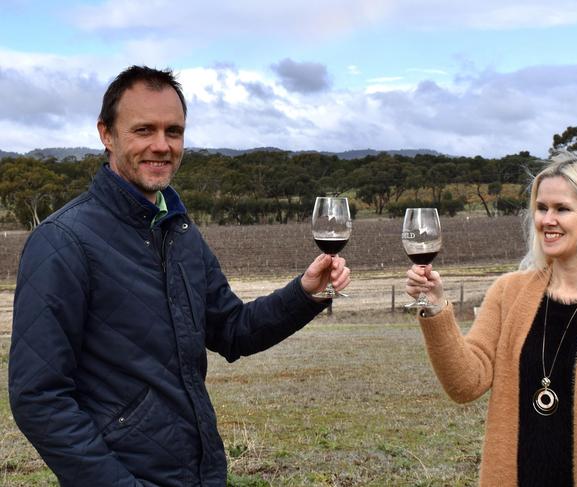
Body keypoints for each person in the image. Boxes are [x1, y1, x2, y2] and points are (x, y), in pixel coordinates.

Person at [8, 65, 351, 487]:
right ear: (106, 135)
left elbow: (232, 329)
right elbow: (38, 399)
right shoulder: (63, 242)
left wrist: (304, 293)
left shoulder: (179, 230)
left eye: (174, 131)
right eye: (143, 130)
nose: (162, 145)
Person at [406, 151, 577, 486]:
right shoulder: (509, 292)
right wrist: (434, 307)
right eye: (541, 207)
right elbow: (465, 384)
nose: (547, 219)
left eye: (562, 209)